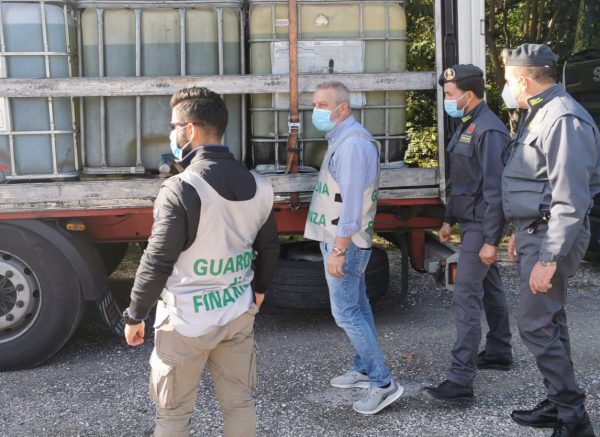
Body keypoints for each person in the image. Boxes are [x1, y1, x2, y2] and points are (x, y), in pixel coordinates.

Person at [122, 87, 280, 437]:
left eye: (174, 126)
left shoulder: (180, 188)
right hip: (236, 311)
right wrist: (260, 289)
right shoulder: (260, 185)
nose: (172, 133)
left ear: (190, 130)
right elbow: (270, 247)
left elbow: (157, 260)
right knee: (239, 405)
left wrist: (135, 314)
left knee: (173, 415)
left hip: (185, 321)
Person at [501, 43, 599, 437]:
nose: (507, 88)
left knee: (535, 324)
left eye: (509, 81)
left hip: (551, 237)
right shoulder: (537, 113)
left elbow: (570, 200)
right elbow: (534, 181)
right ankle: (558, 402)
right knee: (550, 319)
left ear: (523, 81)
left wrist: (548, 258)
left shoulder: (563, 119)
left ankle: (574, 420)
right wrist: (517, 230)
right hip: (534, 231)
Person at [304, 81, 403, 415]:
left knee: (346, 312)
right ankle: (363, 369)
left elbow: (350, 206)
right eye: (315, 104)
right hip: (341, 240)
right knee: (358, 306)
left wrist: (339, 250)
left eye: (321, 105)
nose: (315, 111)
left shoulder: (352, 145)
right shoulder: (343, 139)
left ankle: (383, 383)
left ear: (342, 108)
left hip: (344, 243)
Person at [424, 65, 513, 402]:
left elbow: (495, 191)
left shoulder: (490, 131)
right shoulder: (467, 123)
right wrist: (448, 219)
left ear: (469, 95)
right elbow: (462, 180)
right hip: (469, 221)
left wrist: (491, 240)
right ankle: (500, 351)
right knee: (490, 288)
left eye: (449, 94)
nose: (446, 99)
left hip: (481, 225)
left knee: (465, 296)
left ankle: (460, 381)